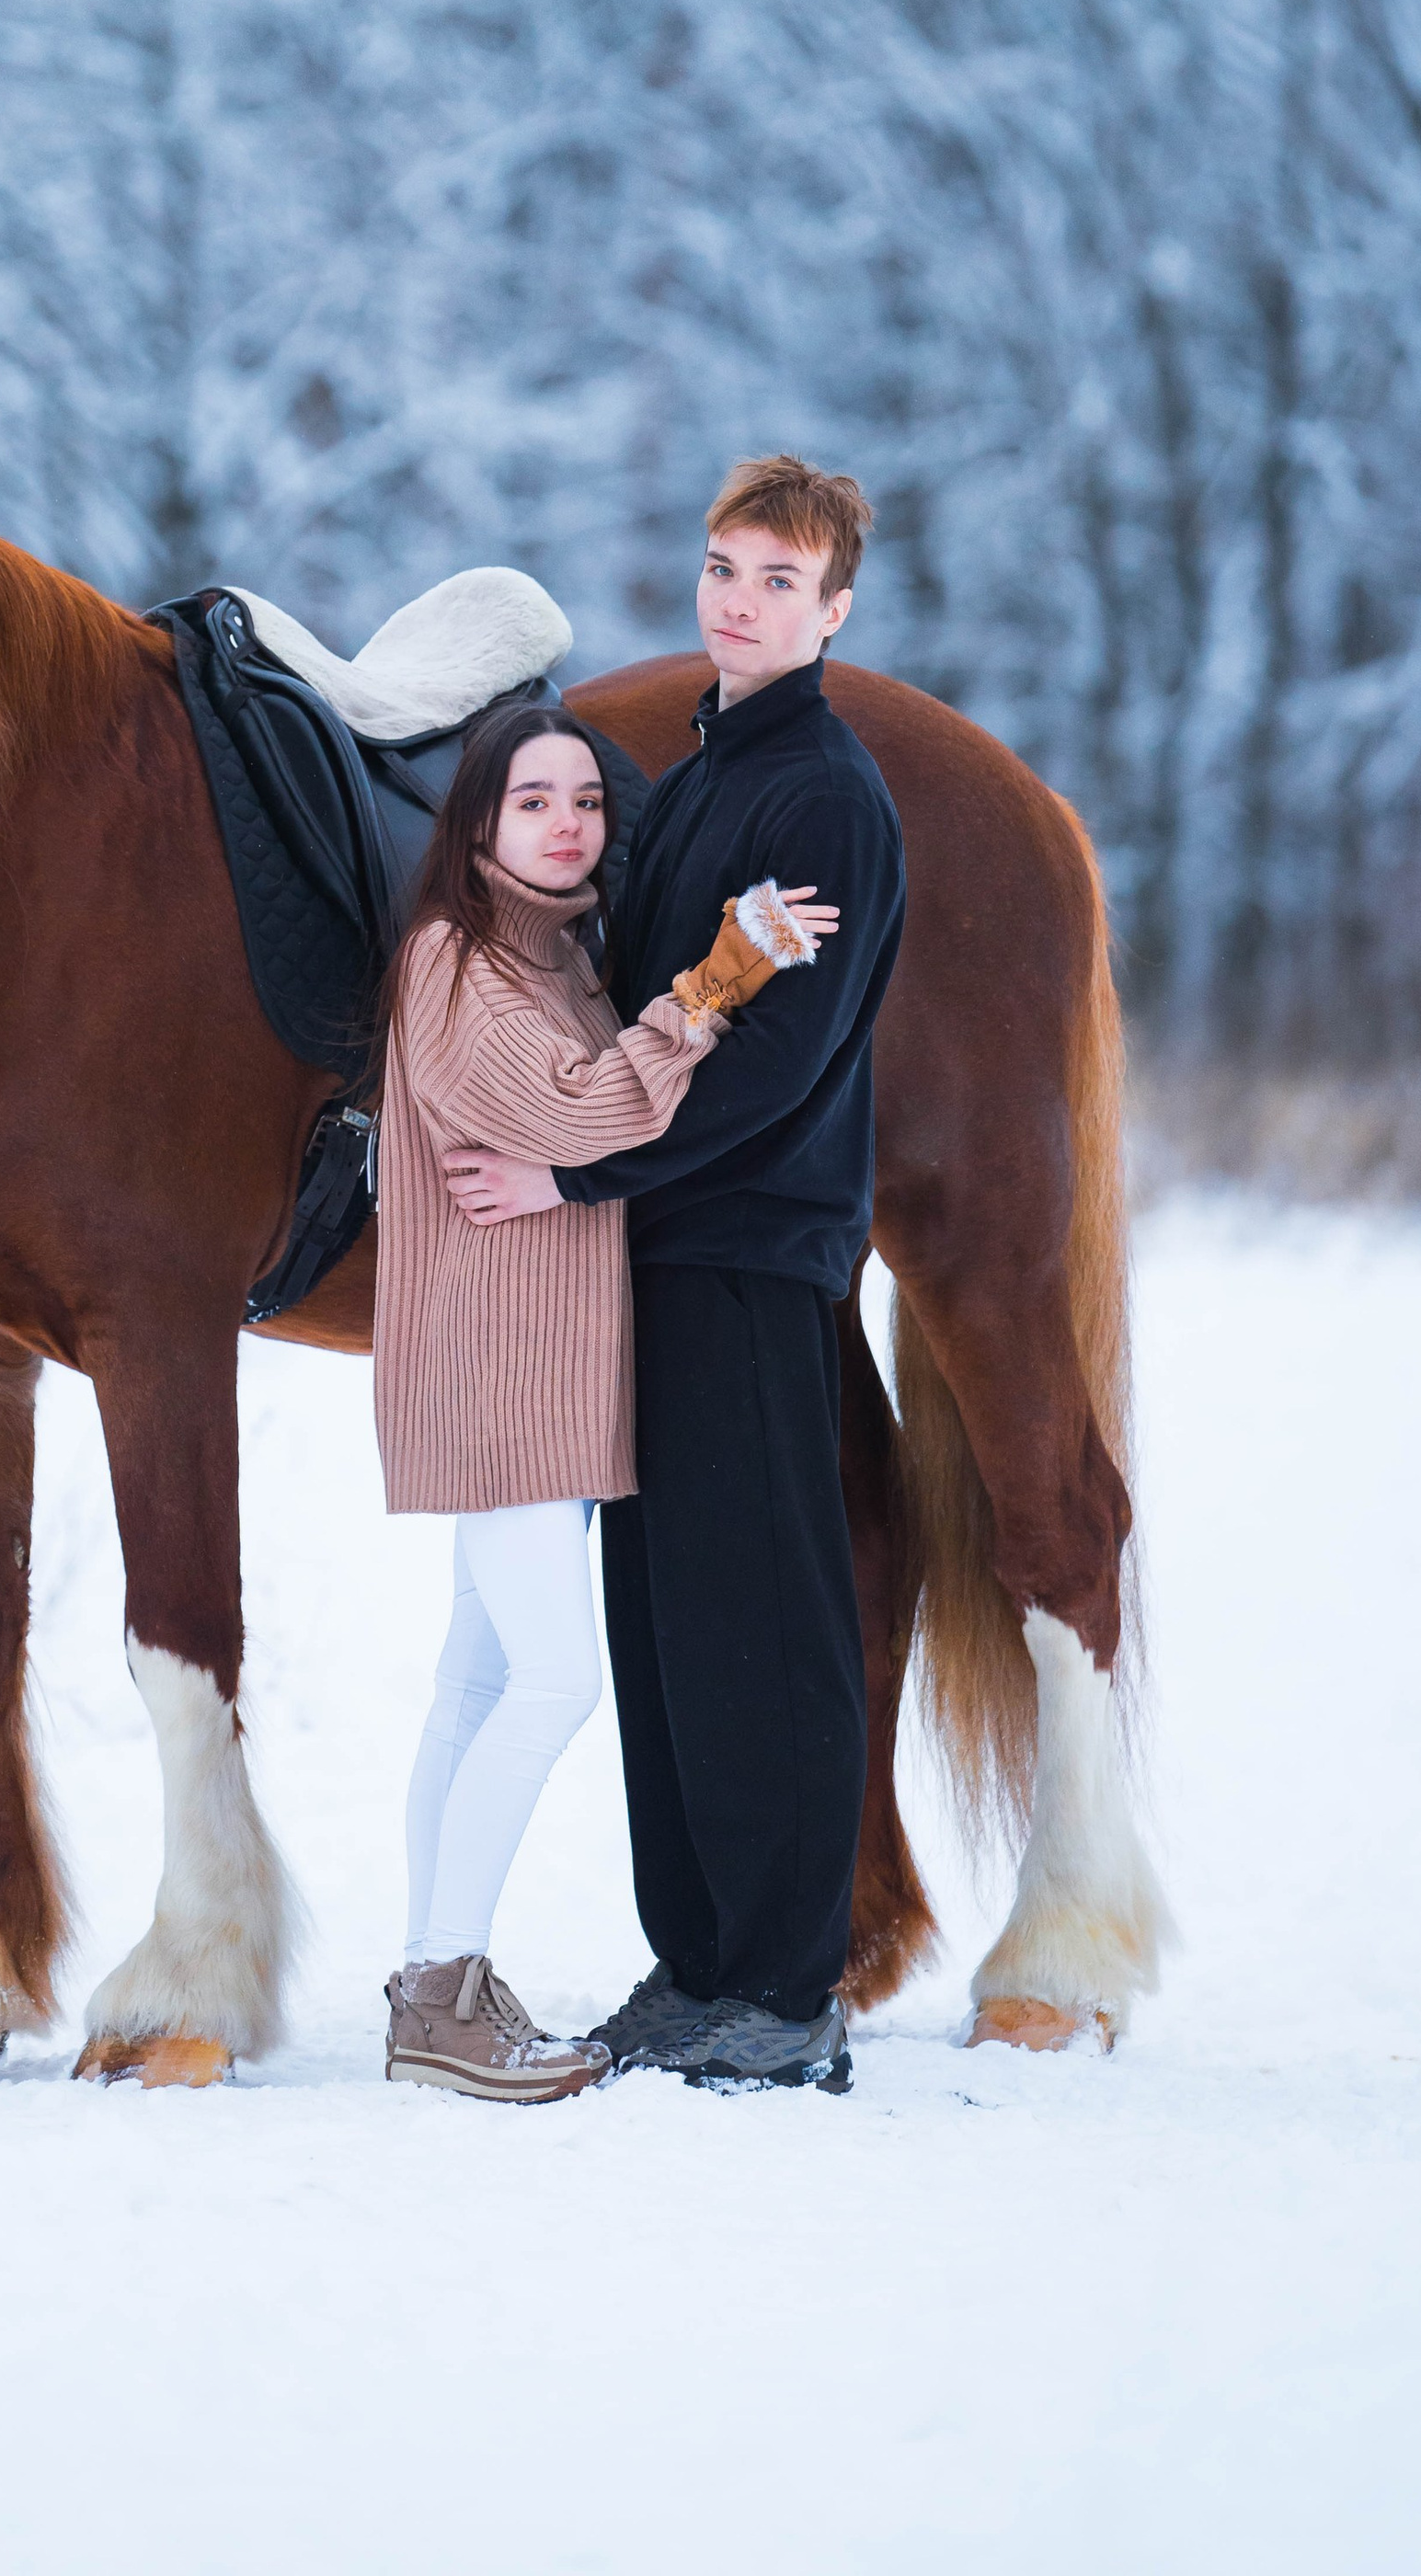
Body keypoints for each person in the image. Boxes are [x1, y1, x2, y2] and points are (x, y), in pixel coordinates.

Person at [446, 455, 904, 2094]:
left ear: (833, 608)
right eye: (722, 566)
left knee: (765, 1622)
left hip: (743, 1254)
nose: (737, 598)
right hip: (653, 1252)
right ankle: (697, 1962)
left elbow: (775, 1067)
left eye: (777, 580)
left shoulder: (825, 794)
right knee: (668, 1629)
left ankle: (784, 1995)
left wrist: (578, 1169)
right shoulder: (701, 772)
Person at [373, 696, 835, 2101]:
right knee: (556, 1680)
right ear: (479, 825)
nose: (569, 822)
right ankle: (443, 1995)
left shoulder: (557, 953)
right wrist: (716, 984)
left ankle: (428, 1979)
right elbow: (585, 1111)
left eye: (586, 799)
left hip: (541, 1367)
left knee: (479, 1679)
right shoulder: (457, 959)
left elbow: (577, 1121)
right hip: (499, 1369)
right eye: (533, 801)